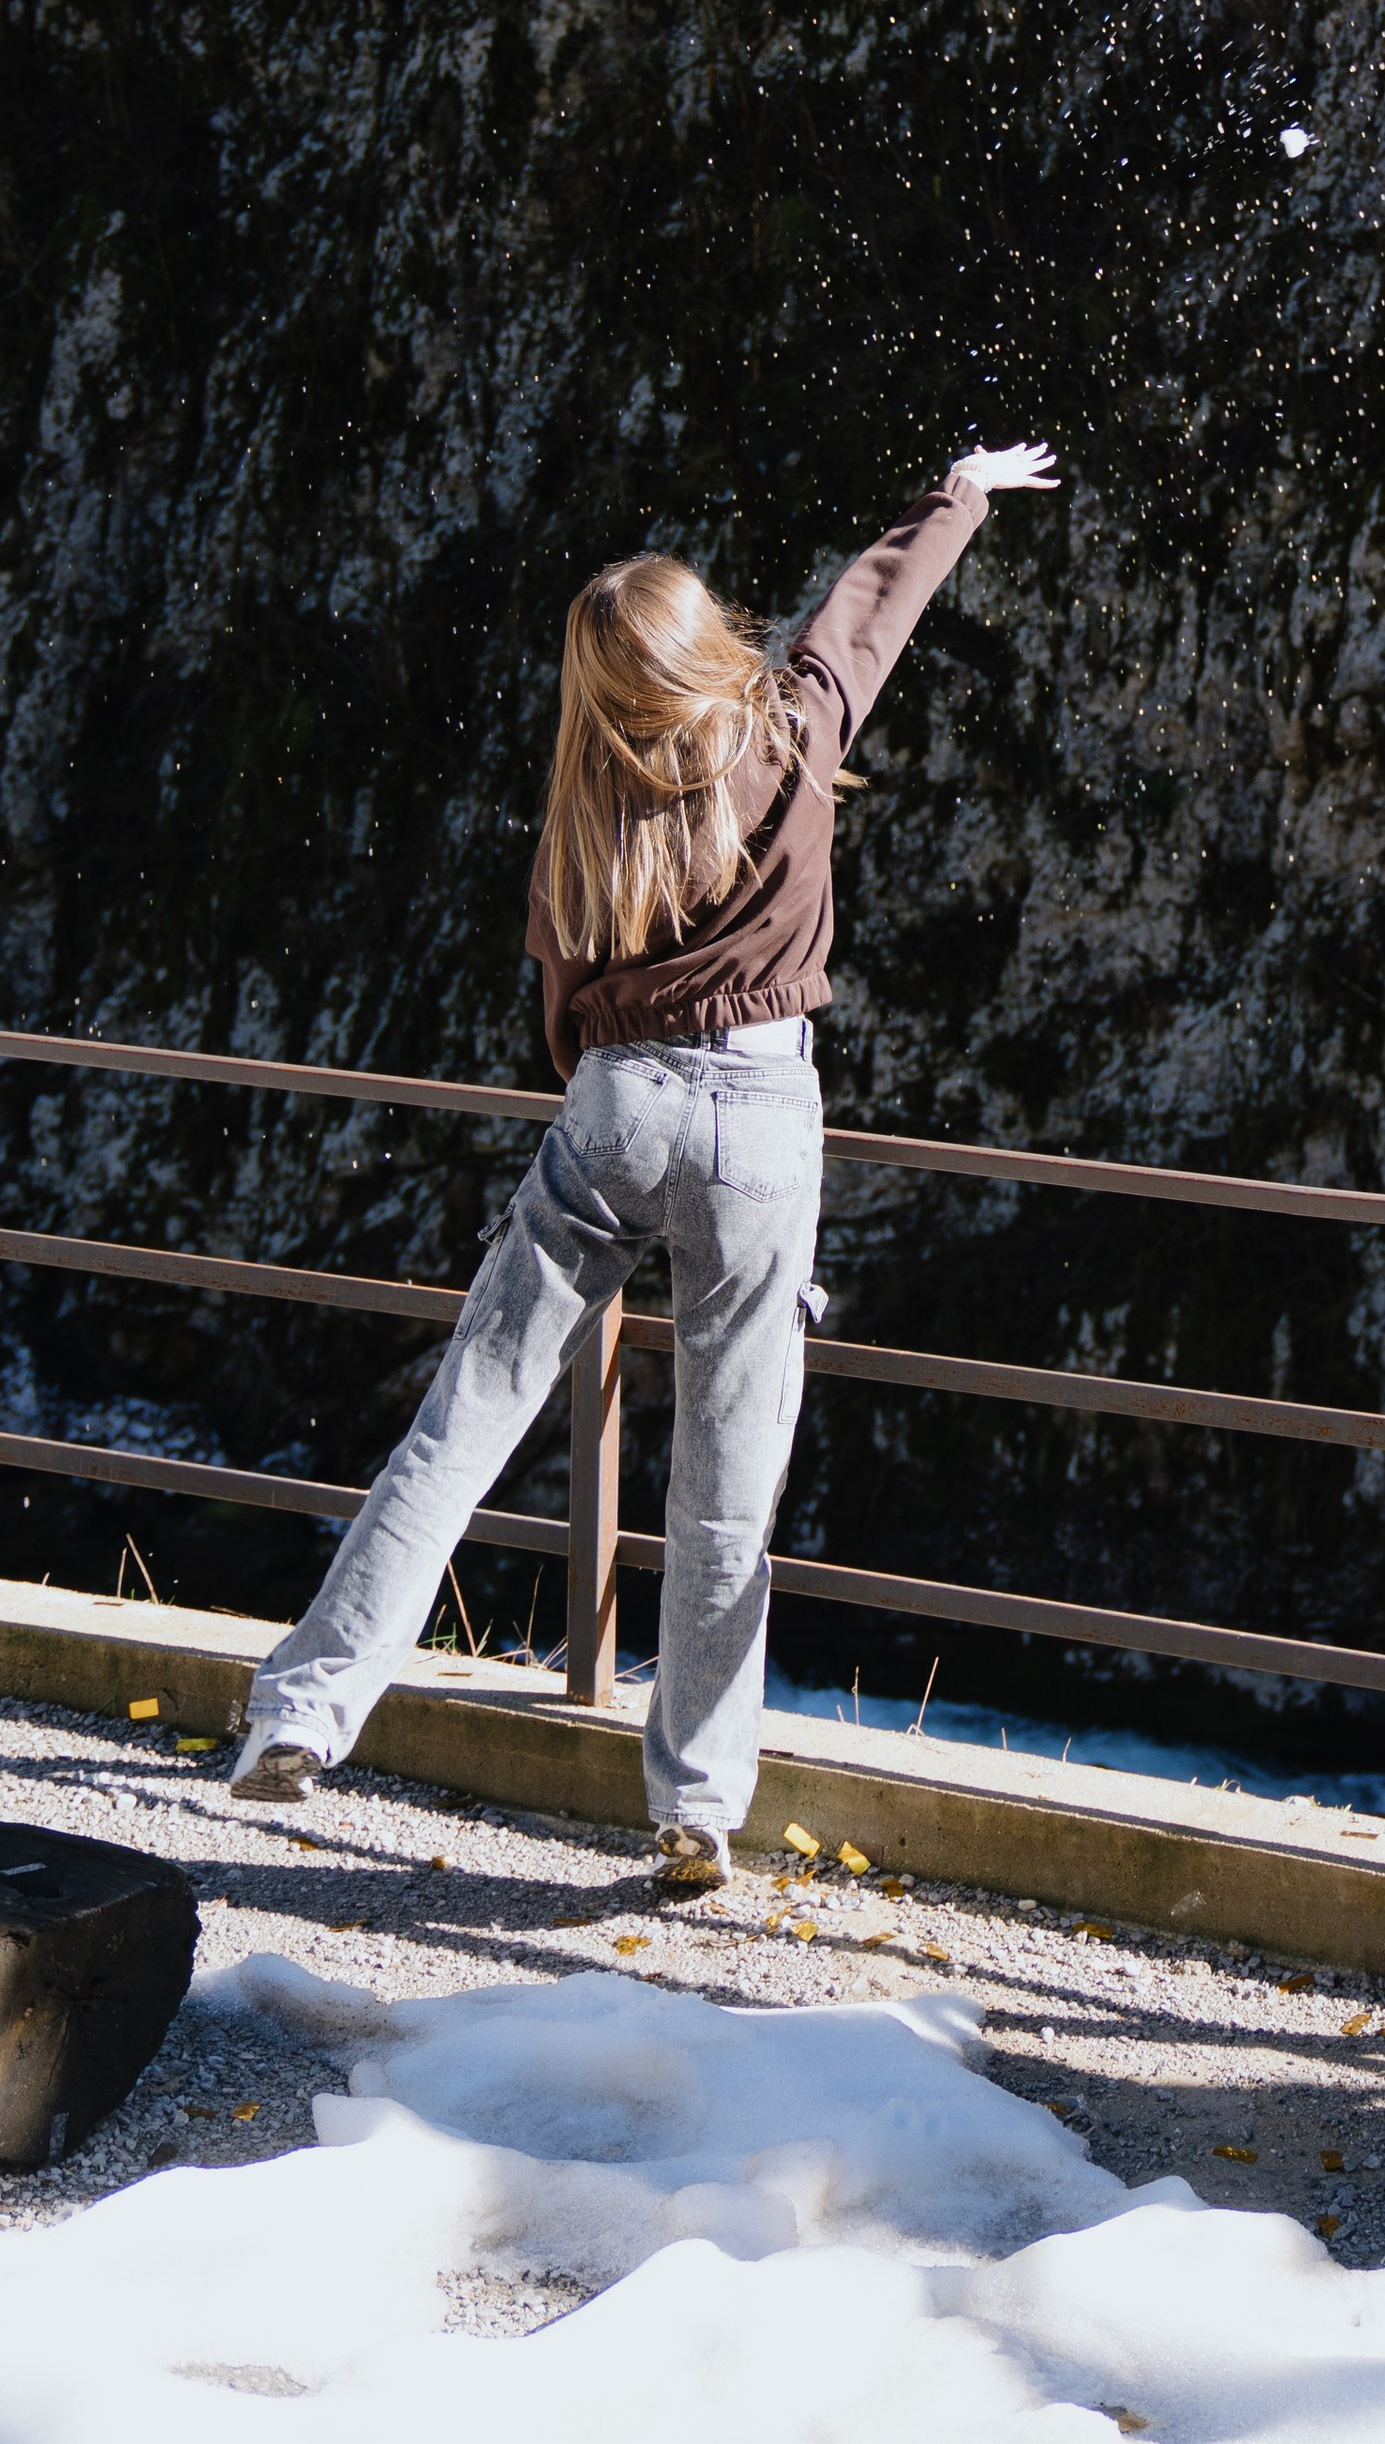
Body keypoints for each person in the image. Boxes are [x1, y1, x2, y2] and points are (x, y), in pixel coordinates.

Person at [229, 439, 1058, 1886]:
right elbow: (869, 610)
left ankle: (301, 1716)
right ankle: (693, 1806)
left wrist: (611, 1099)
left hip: (611, 1109)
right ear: (708, 644)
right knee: (725, 1489)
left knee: (460, 1430)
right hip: (760, 1125)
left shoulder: (585, 812)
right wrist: (963, 489)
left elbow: (559, 1009)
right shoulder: (793, 731)